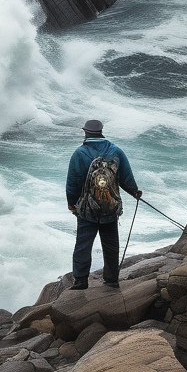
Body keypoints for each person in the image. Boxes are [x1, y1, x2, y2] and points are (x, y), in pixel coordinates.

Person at [66, 119, 142, 290]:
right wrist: (135, 192)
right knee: (111, 244)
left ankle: (80, 280)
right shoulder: (116, 151)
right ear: (101, 131)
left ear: (86, 132)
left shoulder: (80, 153)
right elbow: (126, 177)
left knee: (83, 245)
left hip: (87, 211)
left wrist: (73, 204)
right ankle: (112, 279)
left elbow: (73, 183)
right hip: (109, 208)